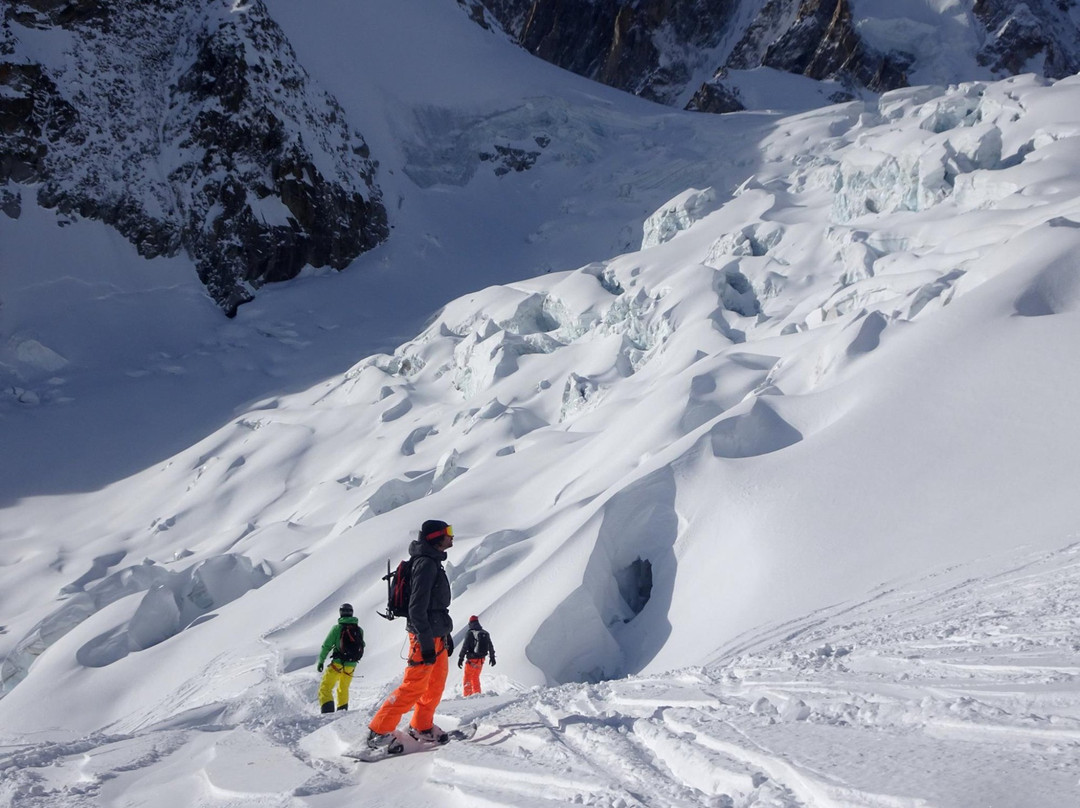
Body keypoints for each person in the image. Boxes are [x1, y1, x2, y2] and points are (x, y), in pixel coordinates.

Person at [367, 519, 455, 750]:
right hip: (424, 635)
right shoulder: (425, 564)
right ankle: (379, 731)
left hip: (436, 634)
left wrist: (445, 634)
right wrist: (426, 643)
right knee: (413, 686)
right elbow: (417, 609)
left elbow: (435, 606)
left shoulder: (434, 562)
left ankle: (421, 725)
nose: (452, 536)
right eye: (448, 533)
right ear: (436, 538)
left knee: (435, 685)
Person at [316, 603, 365, 713]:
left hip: (337, 663)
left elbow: (326, 646)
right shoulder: (359, 630)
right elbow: (363, 645)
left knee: (325, 688)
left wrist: (321, 661)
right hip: (351, 665)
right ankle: (342, 712)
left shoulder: (337, 628)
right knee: (343, 688)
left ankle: (327, 713)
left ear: (341, 613)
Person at [457, 615, 496, 696]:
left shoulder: (470, 633)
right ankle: (477, 694)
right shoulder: (485, 633)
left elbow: (465, 646)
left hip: (471, 659)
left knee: (467, 678)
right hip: (481, 660)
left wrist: (461, 658)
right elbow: (490, 646)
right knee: (475, 677)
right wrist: (492, 657)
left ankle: (467, 696)